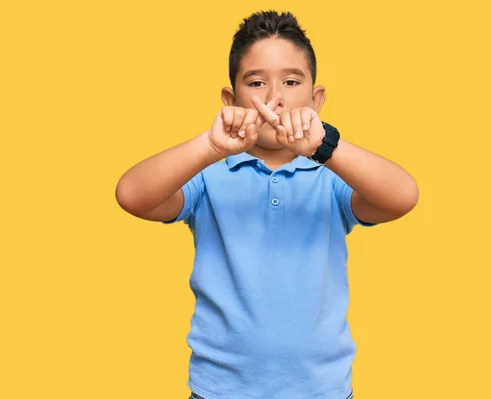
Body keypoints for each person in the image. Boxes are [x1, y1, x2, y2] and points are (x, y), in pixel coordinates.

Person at [115, 9, 419, 399]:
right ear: (231, 98)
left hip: (321, 390)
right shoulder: (209, 175)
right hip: (218, 390)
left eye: (292, 81)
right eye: (256, 82)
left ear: (316, 98)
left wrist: (325, 146)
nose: (275, 98)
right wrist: (209, 146)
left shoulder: (332, 177)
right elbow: (131, 195)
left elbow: (403, 196)